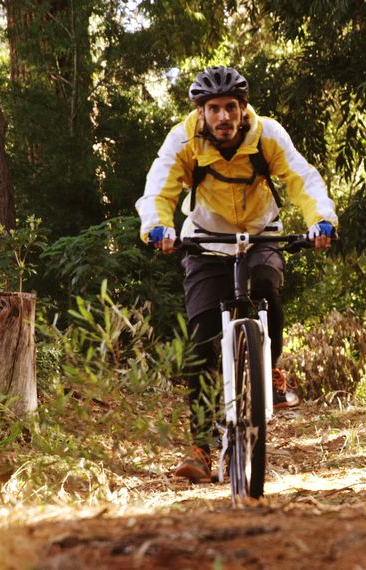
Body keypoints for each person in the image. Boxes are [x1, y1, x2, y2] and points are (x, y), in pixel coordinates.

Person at [135, 66, 338, 482]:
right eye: (214, 109)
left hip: (261, 233)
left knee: (265, 286)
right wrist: (158, 226)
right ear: (202, 111)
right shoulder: (183, 139)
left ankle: (272, 370)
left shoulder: (268, 136)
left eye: (231, 107)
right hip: (205, 241)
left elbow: (303, 180)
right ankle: (200, 447)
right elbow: (160, 186)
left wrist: (321, 220)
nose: (223, 117)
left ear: (243, 109)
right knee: (202, 337)